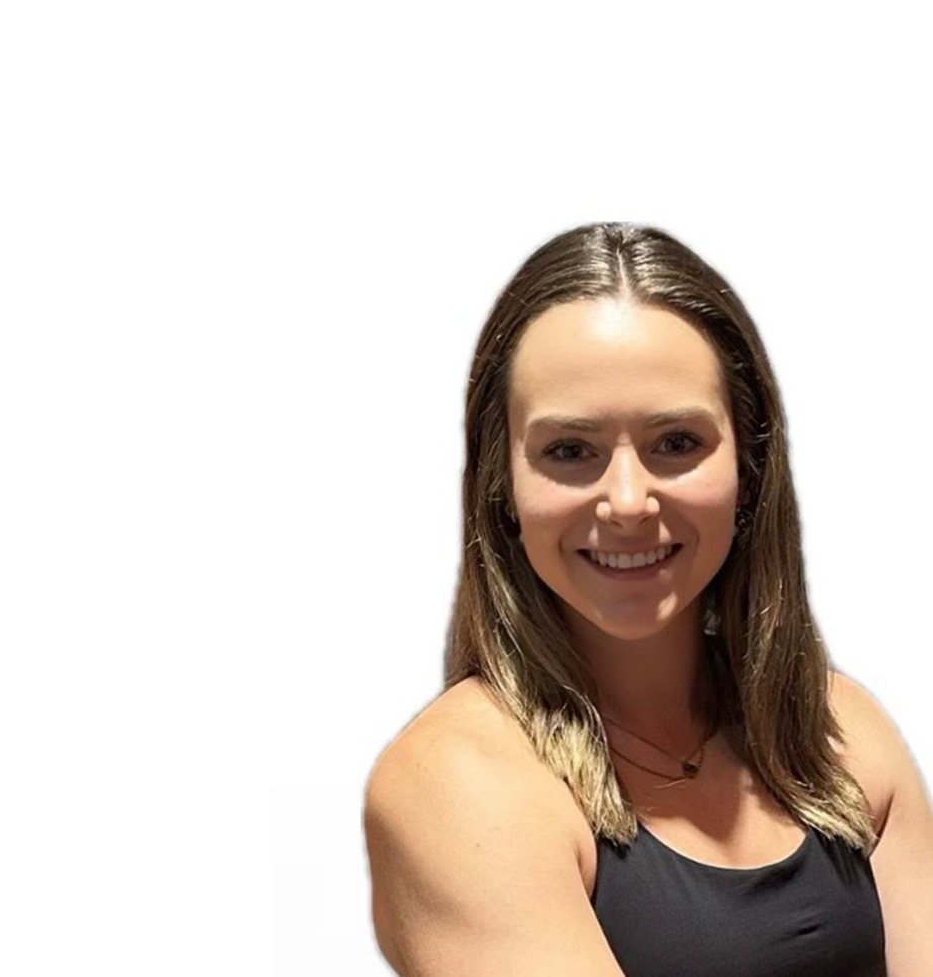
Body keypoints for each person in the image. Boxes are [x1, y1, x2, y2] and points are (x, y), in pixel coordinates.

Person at [362, 223, 933, 976]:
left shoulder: (839, 729)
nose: (628, 502)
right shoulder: (454, 784)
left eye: (676, 443)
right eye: (571, 451)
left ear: (750, 467)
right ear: (503, 484)